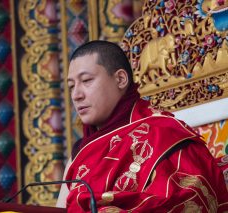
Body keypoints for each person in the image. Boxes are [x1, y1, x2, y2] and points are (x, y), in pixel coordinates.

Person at [56, 40, 228, 212]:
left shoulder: (164, 135)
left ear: (121, 79)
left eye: (86, 80)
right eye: (71, 86)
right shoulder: (79, 155)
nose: (76, 95)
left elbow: (191, 200)